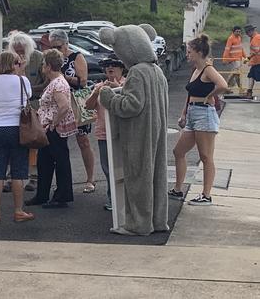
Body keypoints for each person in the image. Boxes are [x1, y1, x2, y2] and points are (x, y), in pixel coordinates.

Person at [98, 24, 169, 235]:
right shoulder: (157, 71)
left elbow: (132, 105)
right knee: (156, 177)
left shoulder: (137, 72)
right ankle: (157, 221)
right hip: (156, 131)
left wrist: (109, 97)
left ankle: (138, 224)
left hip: (138, 135)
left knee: (138, 178)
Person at [169, 35, 227, 206]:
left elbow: (223, 85)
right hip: (193, 113)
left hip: (205, 114)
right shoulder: (195, 70)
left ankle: (206, 195)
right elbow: (190, 94)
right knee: (178, 151)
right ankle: (178, 189)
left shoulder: (208, 69)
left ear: (199, 52)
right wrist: (184, 113)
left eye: (190, 52)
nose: (187, 55)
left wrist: (209, 96)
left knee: (206, 156)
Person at [0, 51, 35, 224]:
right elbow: (27, 97)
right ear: (15, 64)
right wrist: (20, 73)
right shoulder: (22, 80)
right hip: (17, 128)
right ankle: (18, 211)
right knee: (18, 172)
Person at [25, 49, 77, 208]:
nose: (42, 68)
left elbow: (64, 106)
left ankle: (62, 196)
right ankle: (42, 194)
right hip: (48, 129)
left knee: (60, 161)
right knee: (44, 162)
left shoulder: (58, 84)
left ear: (48, 66)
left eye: (43, 65)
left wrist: (53, 124)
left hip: (55, 129)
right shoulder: (55, 82)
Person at [48, 29, 97, 194]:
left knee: (83, 140)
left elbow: (83, 82)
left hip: (76, 101)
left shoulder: (76, 57)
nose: (56, 50)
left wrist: (63, 77)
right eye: (52, 46)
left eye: (59, 46)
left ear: (66, 44)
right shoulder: (51, 58)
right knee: (57, 142)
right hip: (58, 103)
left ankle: (90, 179)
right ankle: (62, 181)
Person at [85, 55, 126, 211]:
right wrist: (96, 93)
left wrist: (115, 87)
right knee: (108, 168)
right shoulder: (100, 85)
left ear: (122, 68)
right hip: (103, 132)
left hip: (121, 132)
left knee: (122, 167)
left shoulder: (126, 84)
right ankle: (112, 198)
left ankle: (124, 199)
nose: (110, 68)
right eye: (107, 66)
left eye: (114, 65)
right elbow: (88, 107)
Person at [7, 32, 46, 192]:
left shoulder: (38, 58)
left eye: (22, 50)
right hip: (14, 105)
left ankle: (34, 177)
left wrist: (28, 89)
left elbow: (46, 82)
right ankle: (12, 176)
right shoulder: (8, 59)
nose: (19, 53)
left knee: (33, 141)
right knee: (14, 141)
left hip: (34, 104)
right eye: (16, 50)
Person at [221, 26, 245, 93]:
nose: (238, 33)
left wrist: (245, 56)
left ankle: (226, 88)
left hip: (238, 59)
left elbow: (241, 48)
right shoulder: (230, 39)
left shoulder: (239, 38)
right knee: (236, 73)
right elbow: (227, 50)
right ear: (233, 31)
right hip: (233, 60)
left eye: (239, 31)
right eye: (237, 31)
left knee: (235, 74)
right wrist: (224, 59)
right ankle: (240, 89)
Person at [245, 24, 260, 98]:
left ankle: (249, 92)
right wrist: (249, 58)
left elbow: (256, 51)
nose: (247, 35)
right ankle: (249, 92)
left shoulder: (255, 39)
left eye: (247, 33)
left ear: (251, 31)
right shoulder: (255, 37)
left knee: (252, 76)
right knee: (251, 76)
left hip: (258, 62)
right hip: (256, 62)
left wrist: (249, 58)